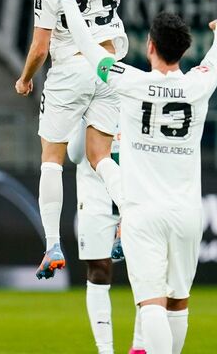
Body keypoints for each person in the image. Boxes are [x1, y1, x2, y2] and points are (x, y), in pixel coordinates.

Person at [60, 0, 217, 354]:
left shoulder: (129, 81)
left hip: (142, 213)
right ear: (186, 50)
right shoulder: (199, 84)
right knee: (179, 300)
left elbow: (92, 51)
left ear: (150, 45)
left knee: (150, 302)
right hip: (187, 211)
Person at [16, 0, 170, 280]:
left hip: (69, 69)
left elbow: (40, 48)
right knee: (99, 155)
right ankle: (129, 215)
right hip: (109, 68)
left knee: (51, 160)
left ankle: (53, 245)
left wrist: (25, 78)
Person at [68, 121, 145, 354]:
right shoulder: (85, 102)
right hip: (95, 196)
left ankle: (140, 346)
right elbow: (73, 155)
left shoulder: (131, 94)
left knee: (147, 269)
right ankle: (105, 350)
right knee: (99, 269)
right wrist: (83, 118)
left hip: (135, 194)